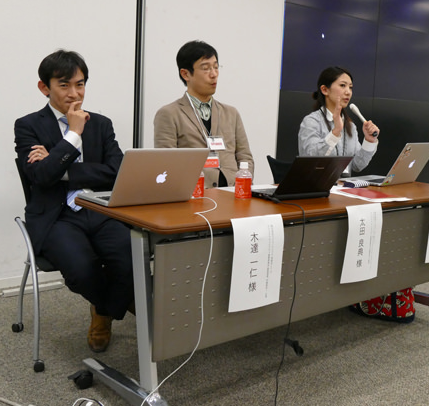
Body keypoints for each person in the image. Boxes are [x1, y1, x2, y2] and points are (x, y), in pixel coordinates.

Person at [14, 50, 135, 352]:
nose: (74, 93)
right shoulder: (28, 125)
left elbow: (118, 172)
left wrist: (63, 169)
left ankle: (104, 309)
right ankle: (110, 308)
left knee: (132, 257)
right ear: (44, 87)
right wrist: (73, 135)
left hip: (99, 208)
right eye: (64, 85)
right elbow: (41, 176)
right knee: (81, 270)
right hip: (57, 216)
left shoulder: (102, 124)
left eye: (80, 85)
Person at [298, 66, 415, 323]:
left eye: (350, 87)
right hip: (317, 194)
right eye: (342, 85)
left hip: (344, 194)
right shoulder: (312, 122)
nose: (347, 91)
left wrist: (369, 141)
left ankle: (365, 289)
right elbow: (309, 157)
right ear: (325, 89)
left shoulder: (350, 124)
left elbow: (357, 165)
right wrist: (334, 132)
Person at [153, 40, 254, 188]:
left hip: (232, 193)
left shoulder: (231, 113)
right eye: (206, 68)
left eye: (216, 67)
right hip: (194, 194)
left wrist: (242, 187)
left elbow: (245, 157)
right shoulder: (169, 114)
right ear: (185, 74)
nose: (214, 74)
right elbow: (167, 164)